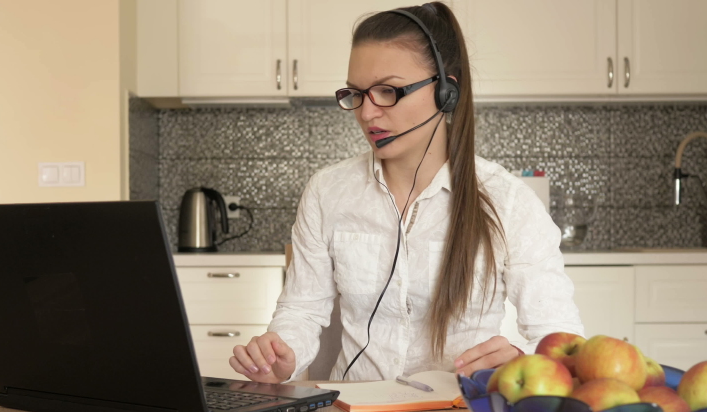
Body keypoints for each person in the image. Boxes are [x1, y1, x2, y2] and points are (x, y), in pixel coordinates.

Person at [229, 2, 583, 383]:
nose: (366, 114)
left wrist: (520, 359)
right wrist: (281, 355)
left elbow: (565, 342)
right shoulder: (327, 192)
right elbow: (301, 311)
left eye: (388, 91)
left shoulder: (507, 201)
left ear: (447, 92)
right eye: (356, 93)